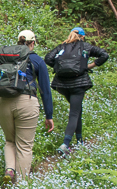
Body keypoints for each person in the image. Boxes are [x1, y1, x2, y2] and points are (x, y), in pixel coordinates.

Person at [0, 30, 54, 183]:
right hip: (27, 102)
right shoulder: (37, 60)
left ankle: (10, 169)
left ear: (18, 42)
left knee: (9, 140)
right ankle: (21, 185)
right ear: (32, 43)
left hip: (3, 102)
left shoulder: (5, 56)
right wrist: (49, 115)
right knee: (24, 146)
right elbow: (45, 90)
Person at [44, 26, 109, 156]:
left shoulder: (61, 47)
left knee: (77, 108)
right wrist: (90, 65)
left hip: (62, 84)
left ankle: (79, 140)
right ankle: (65, 144)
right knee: (74, 112)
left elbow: (48, 59)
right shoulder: (85, 46)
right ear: (83, 36)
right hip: (78, 84)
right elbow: (104, 54)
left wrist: (59, 67)